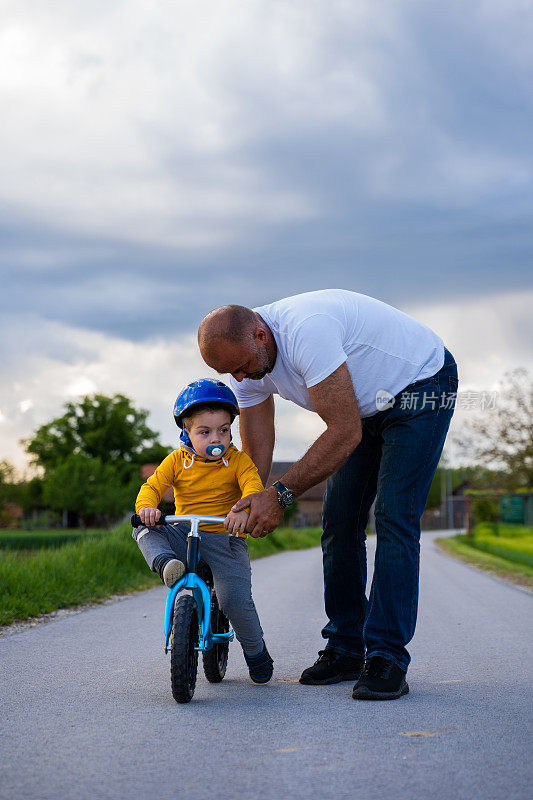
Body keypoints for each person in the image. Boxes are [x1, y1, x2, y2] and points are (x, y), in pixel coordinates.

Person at [198, 289, 458, 700]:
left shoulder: (307, 332)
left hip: (421, 384)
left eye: (244, 367)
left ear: (261, 336)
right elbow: (258, 438)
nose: (242, 379)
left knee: (393, 517)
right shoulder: (245, 363)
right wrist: (251, 497)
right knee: (338, 519)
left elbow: (344, 431)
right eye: (232, 373)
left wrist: (280, 496)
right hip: (364, 407)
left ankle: (387, 656)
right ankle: (345, 648)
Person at [132, 378, 273, 685]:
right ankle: (166, 563)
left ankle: (257, 653)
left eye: (224, 429)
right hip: (185, 533)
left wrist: (244, 509)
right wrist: (148, 508)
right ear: (186, 431)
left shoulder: (237, 461)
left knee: (234, 600)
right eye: (205, 432)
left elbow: (253, 486)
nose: (216, 438)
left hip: (225, 536)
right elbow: (152, 487)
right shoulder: (177, 461)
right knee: (142, 527)